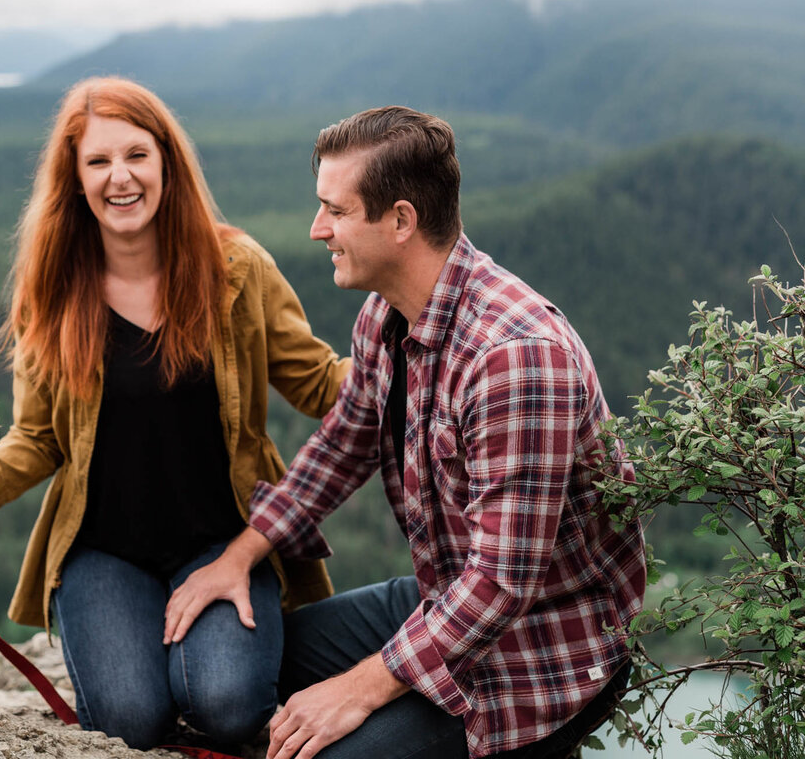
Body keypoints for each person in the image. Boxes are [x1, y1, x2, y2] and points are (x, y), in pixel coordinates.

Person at [163, 106, 647, 759]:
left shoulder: (515, 356)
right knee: (236, 672)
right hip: (441, 599)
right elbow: (340, 449)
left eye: (334, 210)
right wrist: (239, 556)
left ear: (399, 221)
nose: (316, 229)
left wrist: (360, 689)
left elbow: (502, 583)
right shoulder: (384, 317)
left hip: (540, 654)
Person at [0, 76, 349, 751]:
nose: (119, 177)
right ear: (74, 180)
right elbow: (40, 439)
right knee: (130, 722)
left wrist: (415, 357)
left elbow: (317, 380)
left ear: (167, 163)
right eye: (98, 162)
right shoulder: (52, 293)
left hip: (225, 537)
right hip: (104, 550)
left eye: (136, 155)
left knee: (228, 705)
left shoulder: (237, 269)